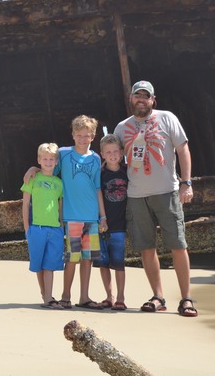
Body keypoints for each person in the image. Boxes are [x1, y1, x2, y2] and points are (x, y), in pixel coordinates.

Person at [113, 80, 198, 317]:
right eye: (137, 96)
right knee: (146, 247)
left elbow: (183, 150)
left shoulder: (167, 118)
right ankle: (158, 296)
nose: (141, 100)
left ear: (153, 99)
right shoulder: (121, 128)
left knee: (178, 245)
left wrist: (186, 183)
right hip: (136, 194)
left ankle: (186, 299)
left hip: (167, 191)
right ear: (131, 99)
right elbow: (110, 157)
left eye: (145, 96)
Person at [25, 115, 107, 310]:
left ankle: (84, 297)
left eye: (87, 135)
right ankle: (65, 296)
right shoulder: (64, 154)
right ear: (73, 135)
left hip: (92, 216)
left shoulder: (96, 158)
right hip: (72, 216)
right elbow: (48, 167)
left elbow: (97, 188)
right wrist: (33, 168)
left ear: (93, 136)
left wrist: (102, 215)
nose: (83, 139)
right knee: (72, 257)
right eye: (79, 135)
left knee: (87, 258)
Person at [20, 143, 65, 309]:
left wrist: (61, 227)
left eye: (51, 159)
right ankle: (45, 295)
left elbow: (60, 206)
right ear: (39, 160)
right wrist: (27, 229)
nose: (48, 162)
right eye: (44, 159)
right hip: (36, 228)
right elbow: (25, 205)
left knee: (50, 265)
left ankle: (48, 297)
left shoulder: (59, 183)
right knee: (39, 264)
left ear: (56, 161)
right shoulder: (33, 178)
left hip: (54, 229)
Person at [94, 133, 129, 310]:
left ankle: (121, 297)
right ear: (102, 154)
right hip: (103, 224)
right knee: (103, 262)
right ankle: (109, 296)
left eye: (116, 151)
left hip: (120, 225)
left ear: (122, 152)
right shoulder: (99, 173)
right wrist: (102, 219)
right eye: (108, 152)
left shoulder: (127, 171)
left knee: (119, 262)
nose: (113, 155)